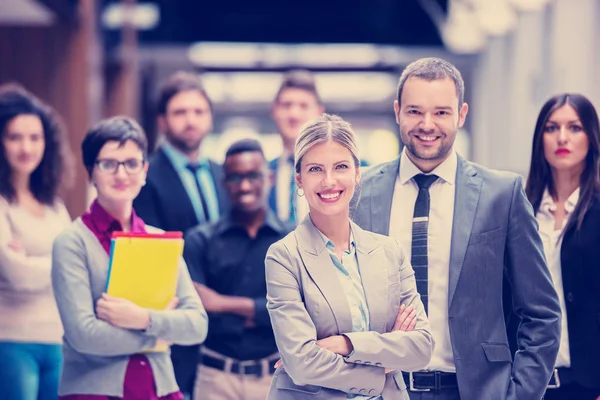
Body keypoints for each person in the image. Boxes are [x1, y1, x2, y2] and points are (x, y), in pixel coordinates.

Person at [352, 57, 561, 400]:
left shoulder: (502, 195)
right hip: (380, 390)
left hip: (474, 391)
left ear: (462, 115)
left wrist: (520, 394)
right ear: (397, 111)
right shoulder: (361, 194)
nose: (427, 124)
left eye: (441, 112)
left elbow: (541, 315)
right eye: (415, 111)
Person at [265, 113, 434, 400]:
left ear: (357, 173)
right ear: (299, 180)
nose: (329, 181)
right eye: (316, 169)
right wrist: (383, 365)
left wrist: (346, 344)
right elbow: (302, 363)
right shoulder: (284, 257)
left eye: (340, 166)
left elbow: (421, 347)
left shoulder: (389, 252)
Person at [51, 116, 208, 399]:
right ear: (90, 172)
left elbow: (197, 324)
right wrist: (161, 335)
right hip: (95, 392)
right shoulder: (72, 241)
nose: (122, 175)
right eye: (109, 164)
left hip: (159, 389)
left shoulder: (160, 240)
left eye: (132, 163)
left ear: (145, 170)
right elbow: (83, 335)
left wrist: (142, 318)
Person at [133, 71, 230, 395]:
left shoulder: (223, 175)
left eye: (198, 112)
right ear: (162, 121)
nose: (191, 120)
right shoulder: (145, 176)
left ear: (210, 119)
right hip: (173, 316)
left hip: (222, 331)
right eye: (180, 112)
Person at [184, 139, 292, 400]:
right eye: (235, 178)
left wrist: (222, 303)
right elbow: (197, 312)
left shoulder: (292, 240)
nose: (244, 186)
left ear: (270, 177)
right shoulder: (199, 240)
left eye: (253, 176)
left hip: (275, 378)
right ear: (223, 183)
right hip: (214, 379)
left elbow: (294, 312)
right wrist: (261, 309)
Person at [525, 93, 600, 400]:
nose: (562, 137)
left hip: (589, 385)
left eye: (575, 127)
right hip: (532, 384)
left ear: (592, 137)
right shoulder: (522, 211)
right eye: (552, 128)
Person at [0, 84, 73, 400]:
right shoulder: (2, 203)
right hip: (11, 339)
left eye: (35, 137)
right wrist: (61, 264)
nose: (26, 147)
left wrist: (34, 261)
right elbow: (17, 273)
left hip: (57, 340)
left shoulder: (55, 207)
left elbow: (77, 267)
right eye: (15, 137)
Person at [268, 70, 325, 224]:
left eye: (303, 106)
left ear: (319, 112)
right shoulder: (262, 174)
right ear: (274, 110)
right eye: (286, 105)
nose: (294, 114)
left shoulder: (346, 171)